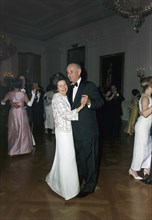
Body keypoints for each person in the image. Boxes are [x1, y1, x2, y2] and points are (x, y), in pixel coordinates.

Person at [45, 73, 86, 200]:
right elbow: (66, 115)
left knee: (63, 157)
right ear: (56, 88)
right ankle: (67, 189)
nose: (64, 88)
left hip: (66, 131)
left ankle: (54, 180)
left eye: (64, 85)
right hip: (63, 133)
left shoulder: (63, 96)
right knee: (67, 158)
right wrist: (81, 106)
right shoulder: (57, 98)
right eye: (60, 86)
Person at [67, 63, 104, 197]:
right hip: (73, 130)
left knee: (90, 159)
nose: (69, 74)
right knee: (79, 158)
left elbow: (100, 102)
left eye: (71, 71)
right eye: (68, 72)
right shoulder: (69, 89)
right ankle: (78, 181)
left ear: (79, 72)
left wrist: (89, 102)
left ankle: (89, 186)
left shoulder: (89, 86)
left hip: (88, 130)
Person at [1, 78, 36, 156]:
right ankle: (24, 149)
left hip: (13, 112)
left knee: (13, 131)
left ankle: (13, 151)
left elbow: (2, 103)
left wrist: (10, 102)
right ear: (20, 84)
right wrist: (33, 95)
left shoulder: (9, 93)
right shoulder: (23, 94)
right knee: (23, 130)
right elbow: (29, 104)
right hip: (21, 112)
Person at [129, 76, 152, 180]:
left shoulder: (147, 97)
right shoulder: (145, 97)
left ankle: (146, 168)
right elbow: (146, 113)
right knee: (141, 150)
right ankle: (133, 170)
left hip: (146, 127)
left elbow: (142, 112)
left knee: (148, 148)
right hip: (143, 127)